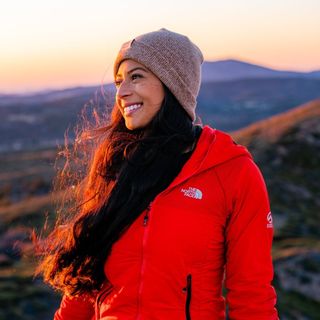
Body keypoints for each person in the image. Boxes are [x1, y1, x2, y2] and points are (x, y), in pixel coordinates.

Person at [37, 28, 279, 319]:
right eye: (119, 81)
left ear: (172, 84)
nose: (122, 92)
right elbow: (84, 285)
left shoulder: (233, 171)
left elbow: (252, 296)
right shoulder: (115, 168)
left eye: (136, 76)